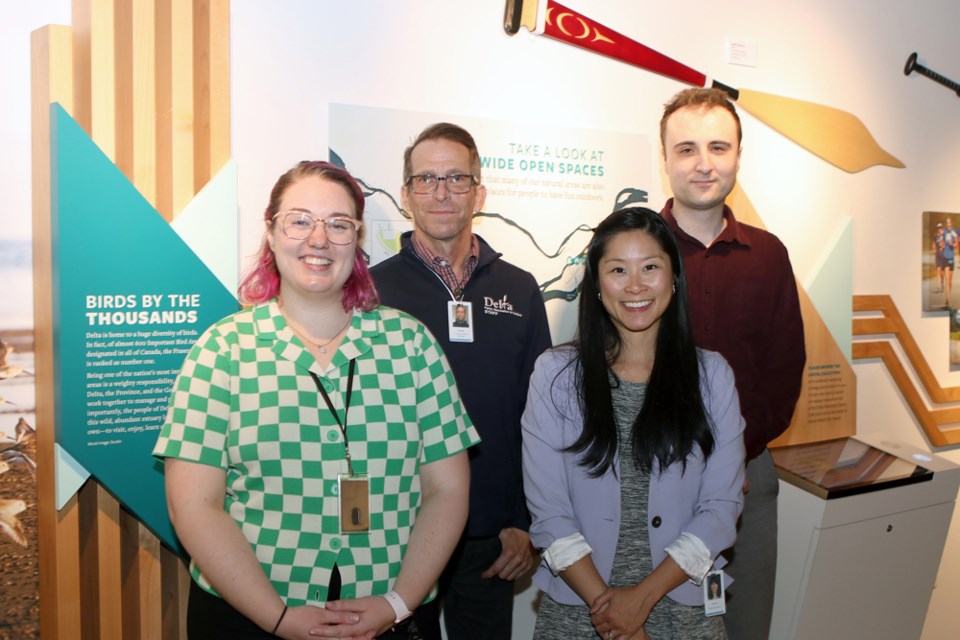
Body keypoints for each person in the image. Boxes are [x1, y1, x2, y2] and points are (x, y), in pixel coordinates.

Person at [153, 161, 479, 640]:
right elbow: (195, 506)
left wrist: (397, 603)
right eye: (300, 220)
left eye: (338, 224)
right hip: (248, 620)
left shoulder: (412, 344)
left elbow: (447, 490)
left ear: (357, 238)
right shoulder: (222, 350)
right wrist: (277, 618)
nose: (319, 239)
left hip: (392, 617)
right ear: (271, 231)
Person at [522, 207, 745, 640]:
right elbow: (549, 513)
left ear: (674, 277)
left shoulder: (712, 376)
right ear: (598, 283)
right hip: (581, 610)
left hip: (683, 609)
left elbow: (721, 509)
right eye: (618, 269)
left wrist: (639, 601)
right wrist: (612, 614)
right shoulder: (555, 374)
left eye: (650, 267)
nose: (636, 285)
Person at [371, 123, 552, 639]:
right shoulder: (371, 293)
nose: (442, 192)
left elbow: (538, 416)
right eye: (426, 179)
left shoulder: (519, 288)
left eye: (456, 178)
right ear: (406, 195)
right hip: (400, 532)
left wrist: (524, 521)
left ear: (480, 191)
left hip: (492, 536)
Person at [659, 87, 806, 640]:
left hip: (748, 476)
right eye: (687, 148)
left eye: (718, 147)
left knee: (744, 625)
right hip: (649, 472)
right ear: (666, 158)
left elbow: (784, 370)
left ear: (738, 157)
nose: (703, 164)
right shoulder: (631, 247)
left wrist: (729, 461)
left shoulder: (769, 255)